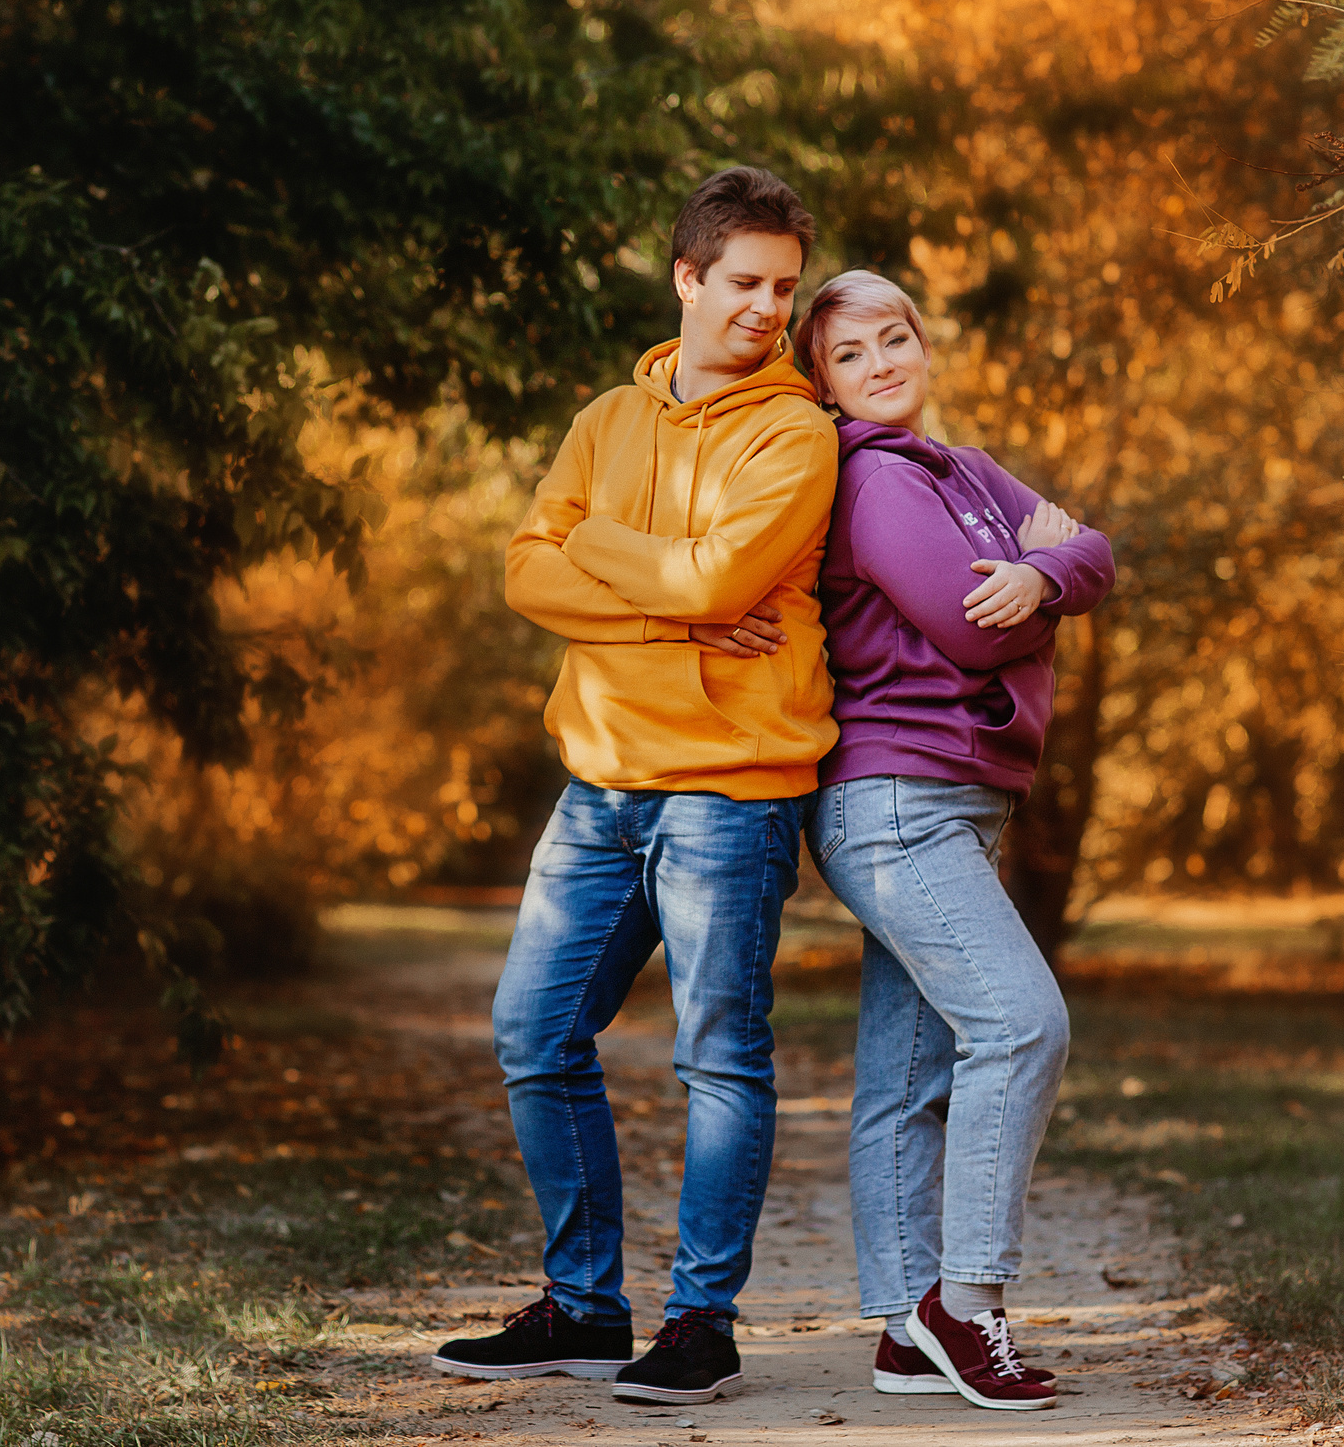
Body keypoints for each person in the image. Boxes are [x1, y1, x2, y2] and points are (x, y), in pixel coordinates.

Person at [429, 167, 839, 1406]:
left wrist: (598, 554)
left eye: (784, 287)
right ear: (686, 278)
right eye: (744, 283)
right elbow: (521, 572)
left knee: (719, 1056)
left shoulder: (796, 431)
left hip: (730, 791)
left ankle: (701, 1323)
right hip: (599, 785)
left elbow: (712, 583)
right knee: (533, 1034)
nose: (768, 309)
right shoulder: (608, 417)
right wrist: (666, 617)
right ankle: (583, 1307)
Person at [794, 269, 1114, 1412]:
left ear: (923, 345)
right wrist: (1042, 573)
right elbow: (964, 634)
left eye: (896, 339)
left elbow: (1096, 554)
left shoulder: (962, 469)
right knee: (1022, 1025)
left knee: (907, 1073)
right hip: (894, 807)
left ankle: (899, 1333)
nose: (882, 364)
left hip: (953, 806)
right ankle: (963, 1304)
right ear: (821, 380)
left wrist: (1040, 569)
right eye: (850, 354)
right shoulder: (873, 480)